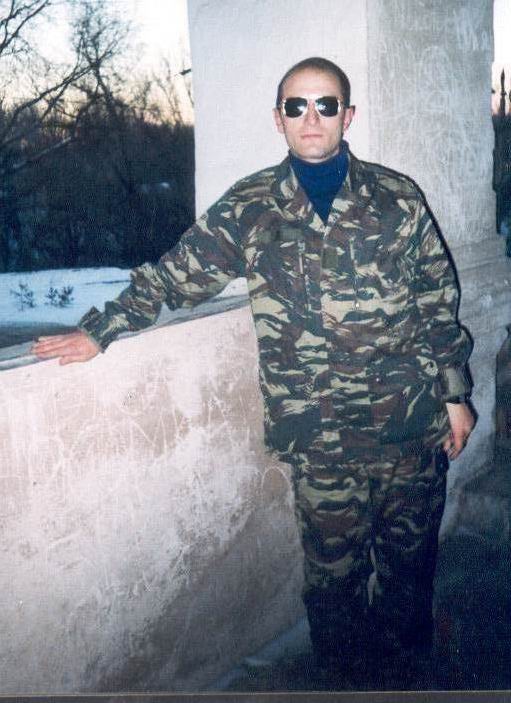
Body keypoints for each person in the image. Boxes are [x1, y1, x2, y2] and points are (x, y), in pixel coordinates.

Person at [33, 57, 475, 686]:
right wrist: (100, 330)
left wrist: (455, 395)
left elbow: (436, 300)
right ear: (278, 119)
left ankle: (405, 681)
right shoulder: (250, 207)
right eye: (297, 105)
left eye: (326, 104)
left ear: (348, 115)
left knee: (409, 580)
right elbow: (173, 277)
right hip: (319, 445)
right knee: (333, 590)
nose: (311, 117)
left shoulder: (397, 198)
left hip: (408, 430)